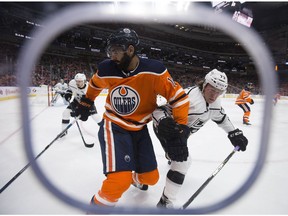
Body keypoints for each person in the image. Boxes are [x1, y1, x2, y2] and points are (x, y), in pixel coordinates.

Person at [73, 28, 190, 208]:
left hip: (139, 129)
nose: (112, 56)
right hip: (114, 126)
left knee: (151, 178)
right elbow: (95, 84)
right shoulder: (106, 68)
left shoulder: (155, 71)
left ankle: (131, 178)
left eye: (115, 51)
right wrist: (86, 102)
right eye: (110, 51)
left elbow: (178, 97)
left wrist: (181, 129)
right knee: (119, 181)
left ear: (130, 49)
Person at [152, 69, 248, 208]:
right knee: (183, 162)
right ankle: (165, 202)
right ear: (205, 85)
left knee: (177, 155)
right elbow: (158, 110)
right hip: (168, 131)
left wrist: (234, 133)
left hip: (182, 134)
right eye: (212, 90)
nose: (215, 96)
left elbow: (221, 118)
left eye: (219, 92)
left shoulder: (215, 103)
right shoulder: (188, 97)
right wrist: (164, 123)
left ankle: (170, 156)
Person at [60, 73, 99, 138]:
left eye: (80, 81)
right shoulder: (72, 83)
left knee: (95, 116)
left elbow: (88, 101)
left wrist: (77, 111)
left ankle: (105, 129)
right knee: (65, 113)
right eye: (77, 81)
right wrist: (68, 94)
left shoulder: (89, 88)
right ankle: (64, 131)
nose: (78, 83)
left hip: (87, 103)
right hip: (76, 101)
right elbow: (70, 90)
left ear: (84, 81)